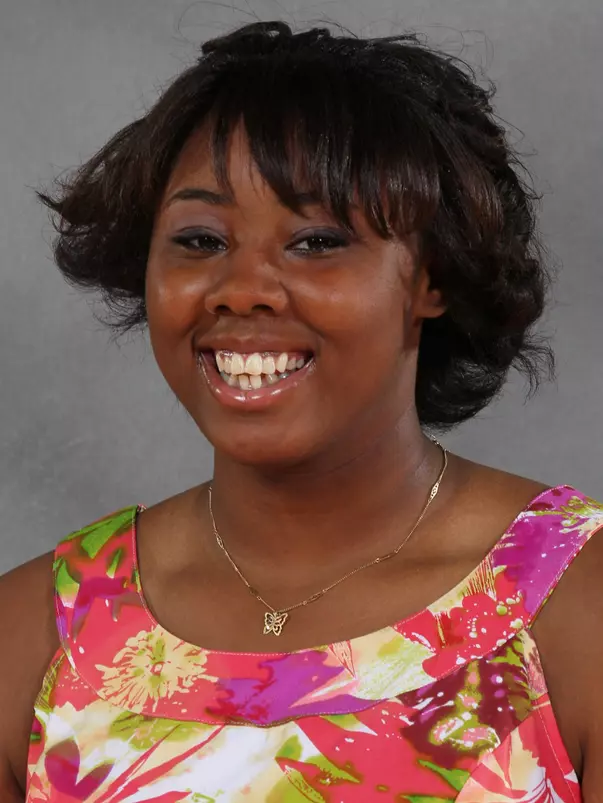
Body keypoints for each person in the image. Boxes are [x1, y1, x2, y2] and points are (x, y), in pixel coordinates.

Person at [1, 19, 601, 802]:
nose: (242, 286)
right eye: (200, 238)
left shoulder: (571, 606)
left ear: (432, 278)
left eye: (316, 241)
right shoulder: (34, 635)